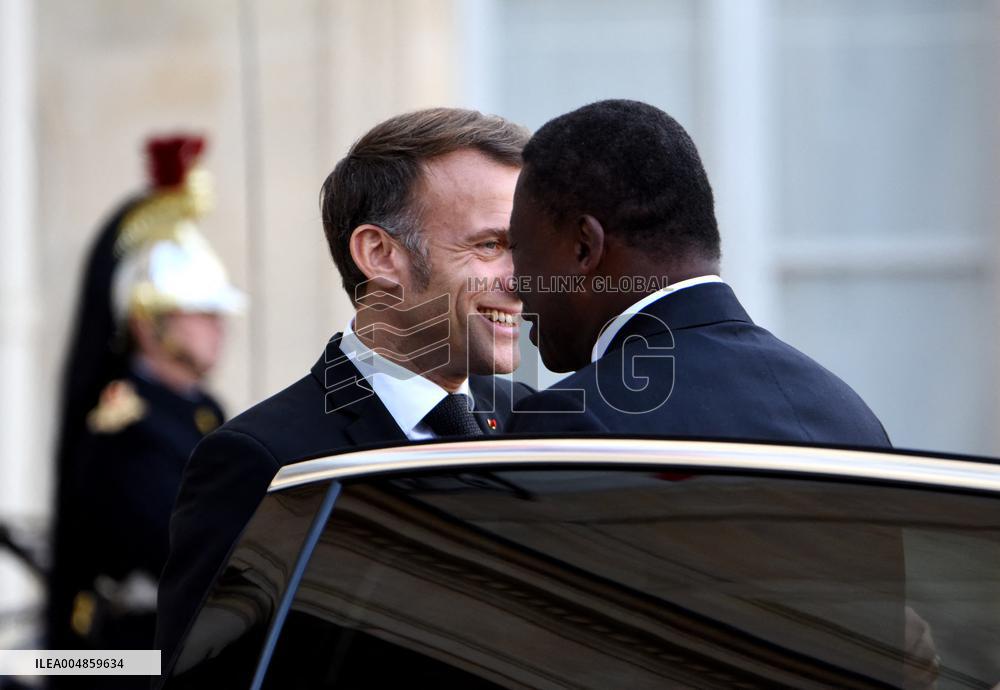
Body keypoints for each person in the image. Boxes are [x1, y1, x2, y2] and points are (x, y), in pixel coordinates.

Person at [156, 107, 533, 674]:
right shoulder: (264, 460)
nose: (521, 278)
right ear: (381, 256)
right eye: (489, 246)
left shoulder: (538, 421)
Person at [507, 99, 890, 447]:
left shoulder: (575, 421)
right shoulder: (851, 416)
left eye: (516, 248)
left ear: (584, 247)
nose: (512, 282)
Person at [47, 135, 244, 683]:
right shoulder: (123, 422)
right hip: (134, 653)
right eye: (198, 313)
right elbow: (172, 546)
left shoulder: (202, 407)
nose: (218, 327)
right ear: (147, 323)